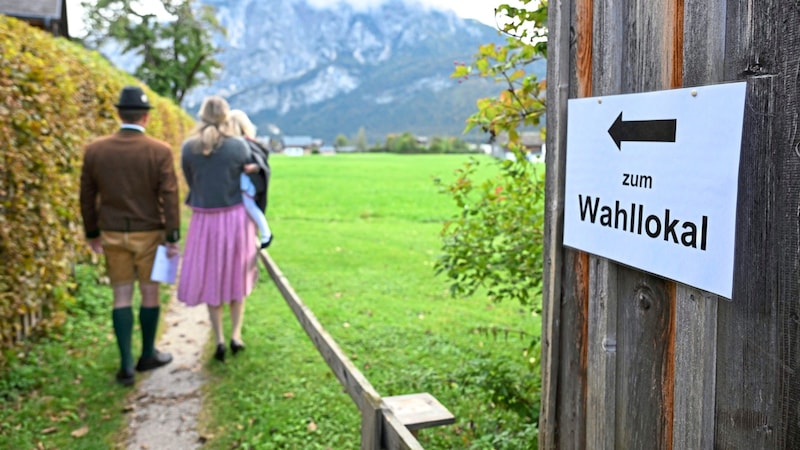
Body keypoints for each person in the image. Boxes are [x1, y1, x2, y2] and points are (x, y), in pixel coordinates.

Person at [79, 85, 180, 386]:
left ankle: (125, 364)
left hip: (111, 231)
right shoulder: (159, 150)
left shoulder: (95, 149)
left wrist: (92, 232)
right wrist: (172, 235)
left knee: (120, 294)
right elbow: (170, 196)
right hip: (149, 233)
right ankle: (147, 354)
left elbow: (86, 195)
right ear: (146, 117)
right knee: (149, 292)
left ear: (118, 113)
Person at [178, 96, 258, 363]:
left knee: (212, 276)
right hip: (235, 218)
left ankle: (219, 338)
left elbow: (192, 183)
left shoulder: (189, 148)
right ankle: (236, 335)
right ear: (227, 116)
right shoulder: (239, 147)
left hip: (204, 220)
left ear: (201, 115)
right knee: (237, 275)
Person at [228, 109, 272, 249]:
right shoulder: (248, 143)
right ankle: (265, 233)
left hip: (244, 186)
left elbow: (260, 162)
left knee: (249, 206)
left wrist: (255, 167)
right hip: (241, 187)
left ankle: (266, 233)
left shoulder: (244, 144)